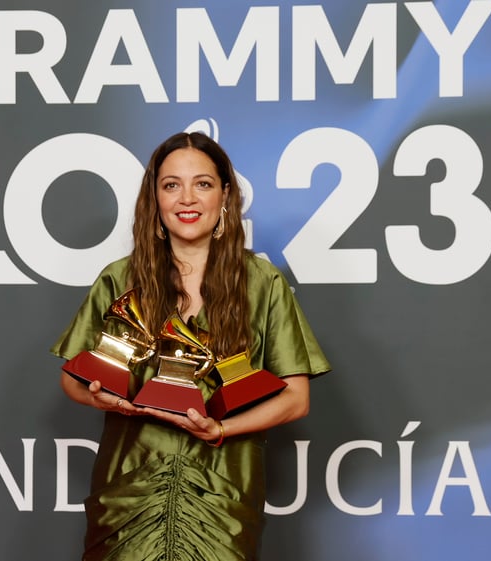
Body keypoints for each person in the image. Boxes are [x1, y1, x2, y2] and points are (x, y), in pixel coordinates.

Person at [51, 131, 330, 561]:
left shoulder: (263, 283)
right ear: (154, 199)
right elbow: (72, 381)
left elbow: (296, 399)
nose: (187, 198)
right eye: (171, 185)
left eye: (202, 183)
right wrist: (101, 398)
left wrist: (220, 430)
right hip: (130, 490)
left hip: (221, 494)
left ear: (225, 195)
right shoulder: (119, 279)